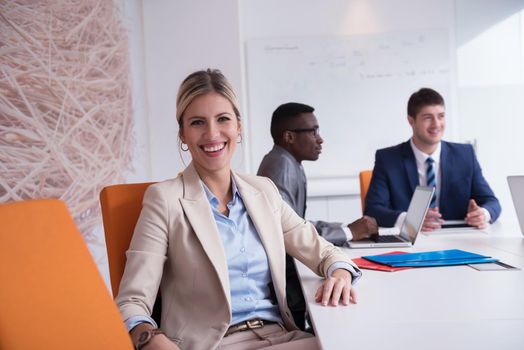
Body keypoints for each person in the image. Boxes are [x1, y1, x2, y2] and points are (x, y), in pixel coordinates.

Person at [115, 69, 362, 350]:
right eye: (197, 122)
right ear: (182, 133)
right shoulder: (164, 200)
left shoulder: (264, 192)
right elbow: (131, 303)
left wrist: (339, 274)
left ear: (238, 127)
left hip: (281, 336)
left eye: (223, 119)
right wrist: (151, 339)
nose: (212, 134)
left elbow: (326, 252)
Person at [257, 102, 377, 330]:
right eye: (312, 131)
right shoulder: (280, 167)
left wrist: (344, 227)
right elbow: (287, 231)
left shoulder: (289, 162)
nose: (319, 139)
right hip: (286, 282)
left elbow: (297, 222)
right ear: (289, 137)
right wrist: (349, 232)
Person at [364, 87, 501, 231]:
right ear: (411, 121)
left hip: (457, 239)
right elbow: (373, 210)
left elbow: (492, 202)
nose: (436, 124)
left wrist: (483, 214)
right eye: (428, 118)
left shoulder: (465, 155)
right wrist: (411, 220)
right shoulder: (388, 159)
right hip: (412, 241)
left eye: (441, 116)